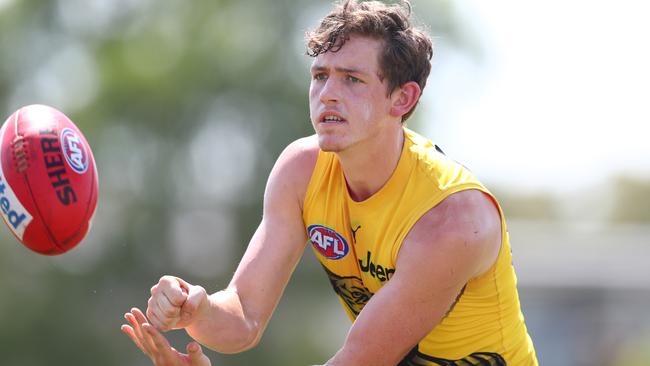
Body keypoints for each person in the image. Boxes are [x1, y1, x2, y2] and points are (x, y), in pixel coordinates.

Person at [121, 1, 538, 365]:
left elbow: (358, 360)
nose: (328, 95)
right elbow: (243, 317)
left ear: (403, 99)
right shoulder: (302, 170)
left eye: (352, 79)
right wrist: (199, 310)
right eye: (320, 76)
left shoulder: (453, 221)